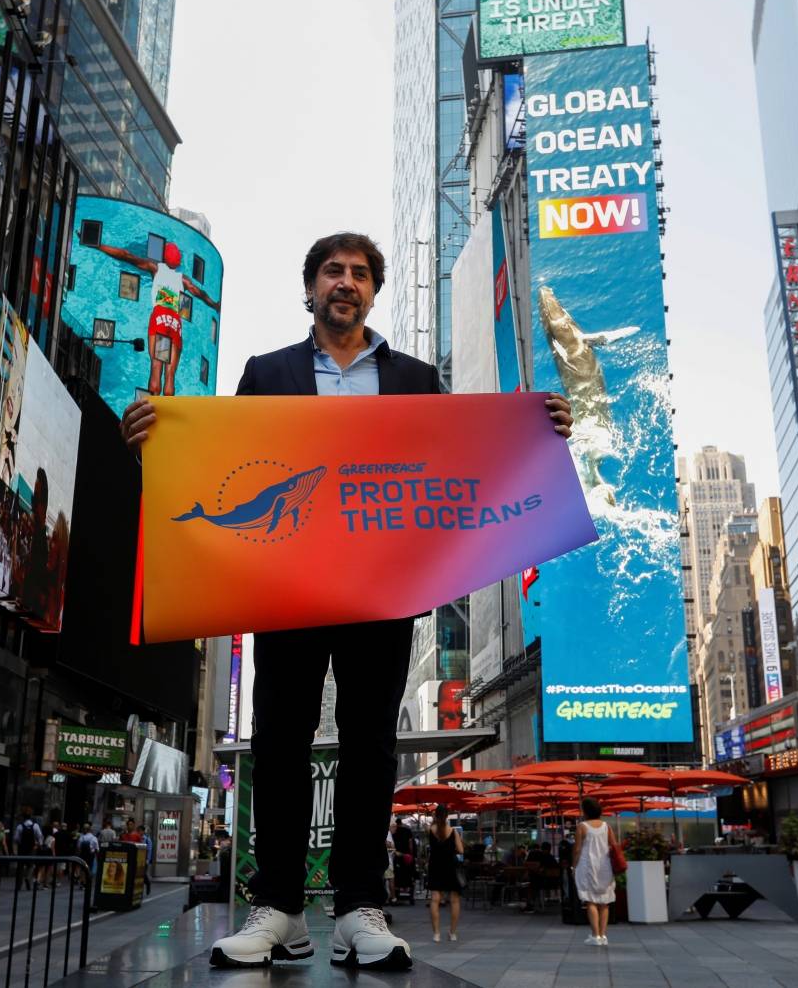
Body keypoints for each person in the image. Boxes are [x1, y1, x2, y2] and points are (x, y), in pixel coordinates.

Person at [124, 232, 572, 970]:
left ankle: (360, 909)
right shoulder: (265, 373)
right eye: (333, 270)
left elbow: (466, 457)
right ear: (311, 288)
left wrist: (540, 432)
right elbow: (219, 461)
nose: (347, 282)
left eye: (361, 273)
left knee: (371, 746)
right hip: (286, 585)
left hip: (384, 586)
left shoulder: (417, 378)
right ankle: (279, 909)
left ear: (373, 292)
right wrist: (154, 439)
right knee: (278, 741)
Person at [571, 797, 617, 947]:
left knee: (590, 900)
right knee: (604, 902)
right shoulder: (606, 826)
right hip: (605, 866)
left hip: (587, 865)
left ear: (585, 811)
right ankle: (603, 936)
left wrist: (573, 866)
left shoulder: (582, 826)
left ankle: (595, 935)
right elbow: (614, 846)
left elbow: (577, 849)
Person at [425, 805, 464, 943]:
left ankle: (436, 934)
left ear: (435, 815)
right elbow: (461, 850)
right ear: (447, 816)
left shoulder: (431, 830)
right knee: (454, 900)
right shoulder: (453, 831)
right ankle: (452, 933)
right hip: (450, 867)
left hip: (435, 867)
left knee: (435, 899)